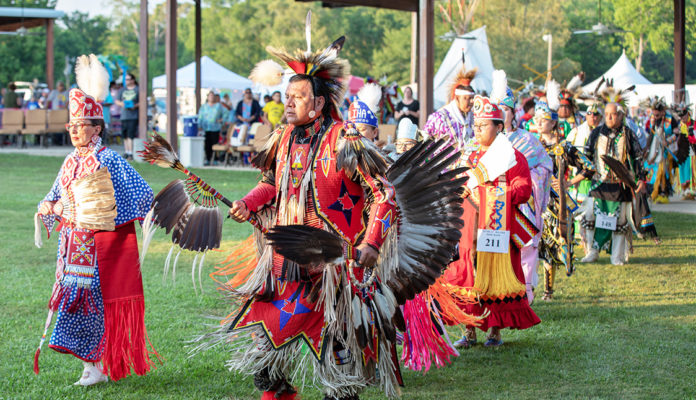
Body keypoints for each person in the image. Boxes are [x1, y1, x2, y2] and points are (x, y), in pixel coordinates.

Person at [218, 28, 406, 400]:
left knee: (336, 355)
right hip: (286, 260)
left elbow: (384, 192)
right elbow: (271, 182)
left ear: (318, 105)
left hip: (334, 265)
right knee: (266, 353)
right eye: (287, 96)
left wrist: (371, 242)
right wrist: (249, 202)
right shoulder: (283, 137)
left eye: (298, 97)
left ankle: (340, 391)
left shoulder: (345, 140)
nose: (288, 103)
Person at [33, 55, 157, 386]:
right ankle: (93, 364)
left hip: (100, 251)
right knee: (74, 305)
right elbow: (53, 195)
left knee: (94, 306)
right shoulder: (70, 161)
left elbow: (143, 197)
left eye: (80, 126)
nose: (74, 131)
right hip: (71, 249)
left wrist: (132, 219)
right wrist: (50, 208)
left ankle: (97, 365)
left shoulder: (110, 160)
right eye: (71, 126)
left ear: (97, 128)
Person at [447, 95, 540, 348]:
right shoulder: (468, 156)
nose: (477, 130)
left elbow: (523, 189)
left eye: (484, 125)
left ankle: (494, 331)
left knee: (494, 278)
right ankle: (469, 330)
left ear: (499, 127)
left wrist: (494, 194)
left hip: (497, 228)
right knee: (469, 276)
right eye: (475, 125)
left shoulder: (512, 156)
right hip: (468, 230)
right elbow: (457, 185)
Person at [491, 70, 553, 304]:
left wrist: (528, 178)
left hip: (521, 205)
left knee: (525, 248)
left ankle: (525, 291)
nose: (501, 114)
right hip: (493, 206)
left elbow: (546, 167)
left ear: (513, 112)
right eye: (496, 110)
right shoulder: (483, 142)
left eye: (505, 110)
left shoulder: (528, 140)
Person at [534, 84, 595, 300]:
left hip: (555, 204)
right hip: (531, 201)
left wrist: (568, 184)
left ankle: (548, 290)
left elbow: (589, 168)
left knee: (551, 246)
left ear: (553, 122)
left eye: (543, 119)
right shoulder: (529, 144)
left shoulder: (563, 147)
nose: (539, 122)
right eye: (536, 118)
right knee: (532, 246)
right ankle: (528, 288)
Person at [581, 85, 646, 265]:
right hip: (599, 184)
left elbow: (637, 157)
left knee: (619, 221)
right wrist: (582, 171)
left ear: (621, 115)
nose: (609, 117)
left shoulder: (628, 134)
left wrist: (640, 177)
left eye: (613, 114)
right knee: (591, 217)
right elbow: (586, 157)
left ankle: (616, 256)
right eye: (607, 114)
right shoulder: (596, 133)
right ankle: (592, 252)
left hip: (620, 185)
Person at [422, 66, 477, 154]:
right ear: (457, 98)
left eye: (472, 98)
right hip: (441, 166)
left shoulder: (473, 118)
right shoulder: (439, 118)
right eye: (467, 98)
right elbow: (425, 144)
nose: (471, 101)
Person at [197, 90, 226, 165]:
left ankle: (216, 159)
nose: (211, 97)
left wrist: (221, 120)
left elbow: (226, 113)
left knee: (215, 144)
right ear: (207, 97)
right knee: (207, 144)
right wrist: (199, 125)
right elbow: (200, 116)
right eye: (210, 96)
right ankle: (208, 159)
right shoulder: (204, 106)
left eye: (213, 96)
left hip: (215, 128)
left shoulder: (218, 106)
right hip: (206, 128)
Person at [116, 73, 139, 160]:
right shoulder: (122, 90)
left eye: (129, 79)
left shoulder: (137, 89)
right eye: (126, 79)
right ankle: (127, 151)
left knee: (131, 135)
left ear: (133, 80)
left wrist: (135, 106)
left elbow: (142, 101)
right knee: (124, 135)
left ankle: (131, 153)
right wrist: (121, 103)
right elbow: (117, 100)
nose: (127, 81)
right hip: (124, 115)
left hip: (133, 116)